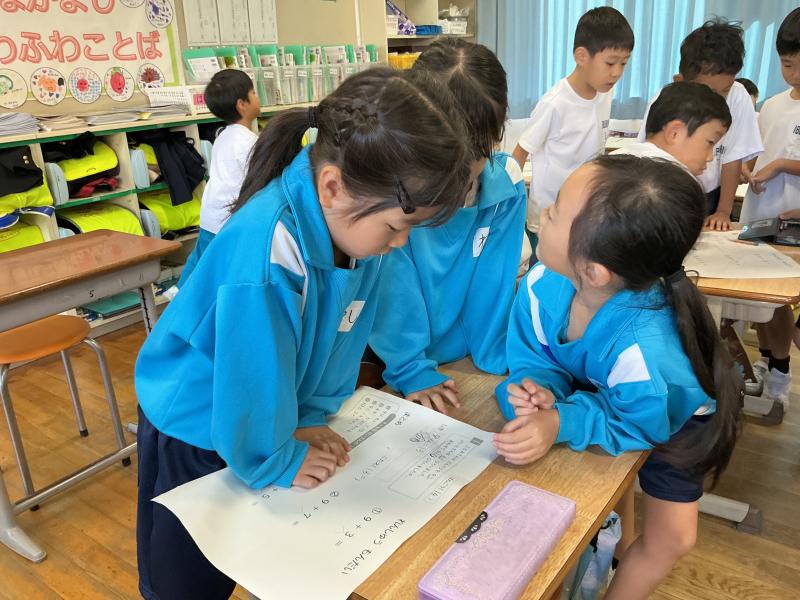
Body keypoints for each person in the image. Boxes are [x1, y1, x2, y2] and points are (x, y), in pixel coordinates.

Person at [134, 68, 471, 600]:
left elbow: (343, 338)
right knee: (187, 580)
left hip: (263, 414)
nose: (401, 243)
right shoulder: (269, 250)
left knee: (248, 550)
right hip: (197, 418)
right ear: (332, 186)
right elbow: (250, 376)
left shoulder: (356, 233)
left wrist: (308, 418)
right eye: (396, 227)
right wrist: (278, 456)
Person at [494, 155, 742, 600]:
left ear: (593, 271)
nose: (543, 212)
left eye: (554, 213)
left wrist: (562, 421)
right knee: (609, 487)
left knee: (673, 539)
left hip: (674, 418)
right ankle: (614, 549)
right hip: (615, 391)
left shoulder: (647, 353)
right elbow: (535, 354)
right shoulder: (542, 284)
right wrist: (539, 389)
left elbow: (636, 424)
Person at [369, 38, 527, 413]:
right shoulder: (392, 189)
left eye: (474, 154)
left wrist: (501, 359)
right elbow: (391, 287)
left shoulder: (505, 184)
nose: (459, 173)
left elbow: (494, 281)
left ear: (498, 130)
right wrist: (410, 368)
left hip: (463, 360)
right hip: (392, 354)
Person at [512, 6, 633, 253]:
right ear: (581, 56)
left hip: (586, 212)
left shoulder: (605, 93)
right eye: (610, 63)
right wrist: (508, 204)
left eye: (624, 63)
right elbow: (521, 152)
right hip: (549, 218)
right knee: (548, 273)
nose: (617, 73)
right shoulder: (555, 103)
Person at [638, 19, 763, 231]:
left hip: (710, 196)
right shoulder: (663, 100)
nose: (717, 100)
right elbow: (649, 157)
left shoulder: (738, 96)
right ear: (681, 82)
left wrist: (723, 211)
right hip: (665, 192)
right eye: (709, 92)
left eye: (725, 90)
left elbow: (733, 157)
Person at [740, 7, 800, 405]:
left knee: (783, 303)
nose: (793, 74)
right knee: (761, 302)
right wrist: (750, 167)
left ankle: (780, 372)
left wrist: (778, 165)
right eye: (787, 64)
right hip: (761, 215)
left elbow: (777, 159)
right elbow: (755, 152)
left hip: (794, 224)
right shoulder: (774, 106)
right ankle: (768, 363)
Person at [175, 69, 260, 289]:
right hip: (229, 219)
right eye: (253, 93)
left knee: (199, 266)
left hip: (211, 214)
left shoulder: (223, 135)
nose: (257, 97)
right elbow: (258, 183)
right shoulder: (248, 143)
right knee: (221, 272)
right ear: (242, 104)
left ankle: (179, 298)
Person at [613, 81, 731, 178]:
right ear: (674, 133)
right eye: (710, 142)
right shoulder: (674, 186)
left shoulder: (611, 163)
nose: (710, 158)